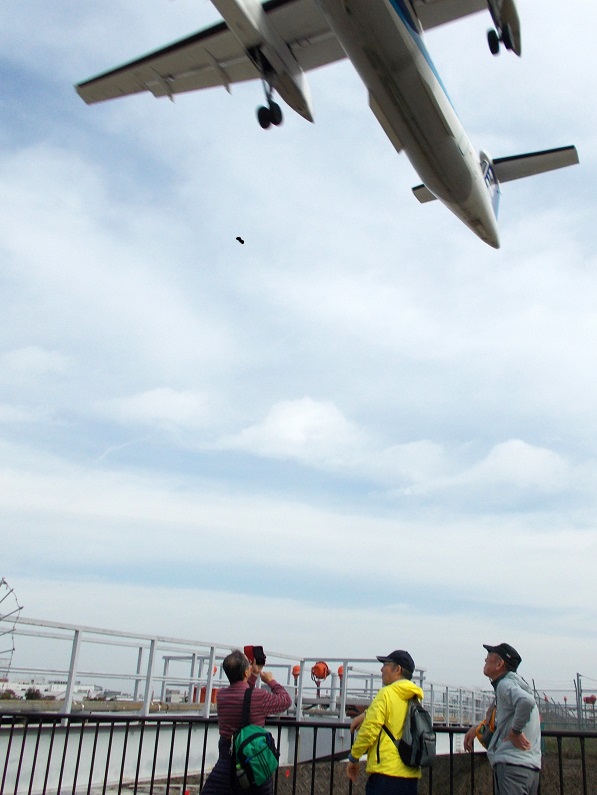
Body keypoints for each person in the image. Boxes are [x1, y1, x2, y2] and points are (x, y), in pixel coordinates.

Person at [201, 648, 292, 795]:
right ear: (245, 673)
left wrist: (253, 674)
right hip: (254, 761)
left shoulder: (222, 696)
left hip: (227, 760)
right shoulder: (259, 696)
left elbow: (244, 694)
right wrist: (271, 681)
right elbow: (286, 701)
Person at [463, 643, 541, 795]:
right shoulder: (515, 684)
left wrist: (516, 732)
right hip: (530, 768)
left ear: (499, 664)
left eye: (489, 657)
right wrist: (477, 728)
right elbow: (504, 718)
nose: (485, 660)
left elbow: (526, 702)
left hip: (512, 768)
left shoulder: (504, 684)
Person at [346, 649, 424, 795]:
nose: (381, 669)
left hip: (386, 774)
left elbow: (369, 730)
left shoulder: (386, 693)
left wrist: (354, 757)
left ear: (398, 669)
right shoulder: (414, 697)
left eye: (386, 664)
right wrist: (366, 714)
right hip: (410, 774)